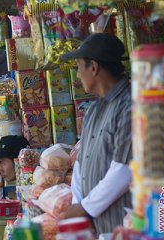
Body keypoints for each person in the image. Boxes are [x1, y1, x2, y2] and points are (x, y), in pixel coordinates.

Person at [61, 33, 132, 235]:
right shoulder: (93, 110)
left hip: (123, 225)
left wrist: (85, 209)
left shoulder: (130, 105)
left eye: (78, 67)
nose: (77, 75)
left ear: (93, 67)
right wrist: (80, 210)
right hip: (96, 227)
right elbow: (81, 165)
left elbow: (125, 170)